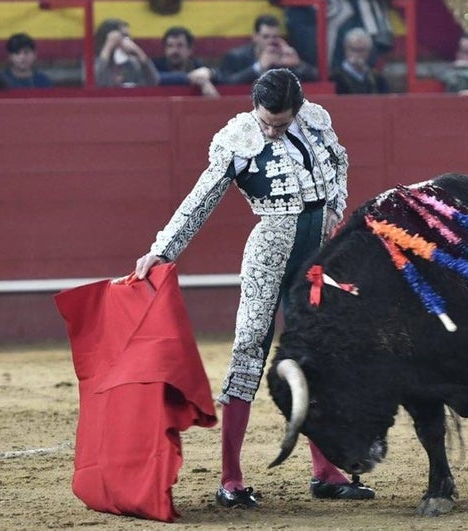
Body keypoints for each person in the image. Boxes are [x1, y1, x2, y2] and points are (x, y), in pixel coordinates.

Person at [133, 68, 374, 508]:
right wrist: (162, 250)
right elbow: (200, 198)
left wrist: (337, 208)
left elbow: (339, 161)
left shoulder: (316, 120)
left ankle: (325, 471)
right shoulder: (237, 138)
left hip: (317, 254)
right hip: (269, 252)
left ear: (296, 110)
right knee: (249, 350)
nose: (270, 129)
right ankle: (231, 478)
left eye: (279, 123)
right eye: (265, 120)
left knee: (316, 354)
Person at [219, 14, 318, 85]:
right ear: (255, 36)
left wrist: (298, 64)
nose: (271, 41)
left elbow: (316, 78)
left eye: (274, 36)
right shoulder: (235, 56)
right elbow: (225, 82)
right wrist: (259, 66)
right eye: (266, 37)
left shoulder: (282, 56)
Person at [152, 26, 219, 97]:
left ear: (190, 49)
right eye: (170, 46)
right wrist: (189, 78)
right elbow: (154, 78)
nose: (174, 51)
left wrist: (210, 73)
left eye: (180, 45)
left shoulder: (196, 65)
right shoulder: (156, 66)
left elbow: (222, 77)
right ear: (165, 49)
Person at [94, 18, 159, 87]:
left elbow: (153, 82)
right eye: (124, 36)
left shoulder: (132, 63)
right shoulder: (92, 62)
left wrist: (139, 52)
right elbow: (94, 81)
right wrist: (108, 46)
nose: (128, 41)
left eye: (129, 37)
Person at [329, 27, 389, 94]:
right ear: (346, 49)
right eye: (353, 49)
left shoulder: (377, 79)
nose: (356, 54)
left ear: (368, 52)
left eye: (361, 50)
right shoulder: (334, 78)